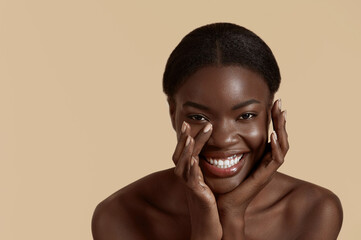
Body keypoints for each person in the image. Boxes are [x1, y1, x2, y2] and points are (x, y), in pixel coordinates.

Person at [91, 23, 343, 240]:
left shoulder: (314, 210)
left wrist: (231, 216)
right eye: (198, 117)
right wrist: (203, 231)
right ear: (172, 113)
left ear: (271, 114)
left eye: (246, 116)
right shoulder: (120, 214)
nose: (222, 139)